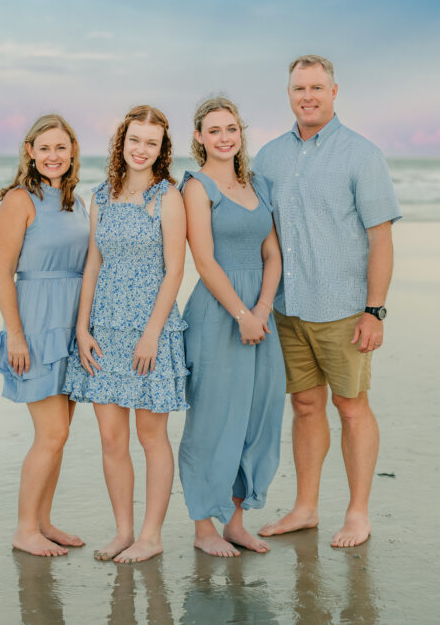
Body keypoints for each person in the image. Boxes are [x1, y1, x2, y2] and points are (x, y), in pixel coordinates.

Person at [254, 55, 401, 548]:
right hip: (288, 308)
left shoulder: (362, 154)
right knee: (304, 406)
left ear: (335, 92)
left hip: (343, 308)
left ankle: (358, 513)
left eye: (317, 87)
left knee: (352, 407)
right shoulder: (268, 158)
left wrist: (375, 310)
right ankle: (306, 507)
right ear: (289, 94)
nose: (308, 96)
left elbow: (380, 238)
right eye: (299, 88)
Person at [63, 105, 188, 564]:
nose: (141, 149)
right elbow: (93, 264)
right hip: (104, 329)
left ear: (161, 149)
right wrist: (82, 326)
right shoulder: (100, 196)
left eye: (151, 143)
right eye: (135, 140)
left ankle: (151, 536)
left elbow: (175, 270)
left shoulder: (166, 198)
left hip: (150, 330)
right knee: (112, 439)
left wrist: (152, 334)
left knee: (152, 437)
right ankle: (123, 531)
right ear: (122, 142)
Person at [177, 97, 286, 557]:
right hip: (218, 314)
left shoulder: (257, 183)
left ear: (240, 133)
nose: (224, 138)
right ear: (199, 137)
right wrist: (242, 314)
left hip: (261, 317)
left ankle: (236, 522)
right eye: (214, 130)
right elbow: (202, 260)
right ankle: (204, 527)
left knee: (256, 417)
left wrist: (261, 309)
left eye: (231, 129)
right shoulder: (197, 188)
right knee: (211, 421)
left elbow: (272, 254)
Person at [0, 114, 89, 556]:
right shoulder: (18, 201)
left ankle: (43, 521)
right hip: (37, 322)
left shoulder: (76, 201)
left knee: (60, 433)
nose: (52, 156)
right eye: (44, 148)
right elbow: (2, 272)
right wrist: (16, 335)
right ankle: (25, 528)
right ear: (29, 151)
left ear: (72, 151)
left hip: (71, 325)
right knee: (52, 434)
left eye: (60, 148)